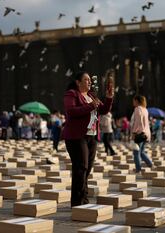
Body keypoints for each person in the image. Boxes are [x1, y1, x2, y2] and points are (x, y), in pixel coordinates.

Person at [62, 71, 114, 207]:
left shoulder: (91, 95)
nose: (89, 82)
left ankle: (83, 200)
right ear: (78, 82)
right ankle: (78, 202)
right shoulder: (72, 94)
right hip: (77, 136)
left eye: (90, 80)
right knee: (81, 167)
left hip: (91, 136)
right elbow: (71, 111)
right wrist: (91, 106)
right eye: (86, 80)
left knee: (87, 168)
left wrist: (109, 97)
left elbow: (103, 110)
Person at [130, 95, 153, 173]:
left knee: (136, 152)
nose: (133, 102)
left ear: (137, 101)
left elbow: (137, 122)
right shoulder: (145, 109)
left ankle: (138, 169)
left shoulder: (137, 109)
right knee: (142, 151)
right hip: (146, 133)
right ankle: (150, 164)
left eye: (133, 100)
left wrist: (134, 133)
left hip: (139, 133)